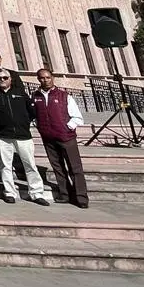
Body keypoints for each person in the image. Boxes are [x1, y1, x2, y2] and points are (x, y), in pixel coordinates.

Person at [0, 68, 49, 205]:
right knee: (5, 165)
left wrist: (24, 122)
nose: (2, 80)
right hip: (2, 136)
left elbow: (31, 110)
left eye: (4, 78)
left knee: (30, 165)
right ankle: (9, 193)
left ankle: (36, 193)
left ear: (10, 79)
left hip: (23, 135)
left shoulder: (20, 92)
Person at [33, 68, 89, 208]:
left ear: (52, 78)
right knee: (58, 167)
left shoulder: (64, 95)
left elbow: (77, 117)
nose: (45, 80)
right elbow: (34, 114)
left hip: (66, 137)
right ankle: (65, 194)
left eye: (47, 77)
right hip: (48, 138)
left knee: (74, 168)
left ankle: (81, 197)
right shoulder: (36, 96)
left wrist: (67, 127)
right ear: (38, 79)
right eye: (42, 78)